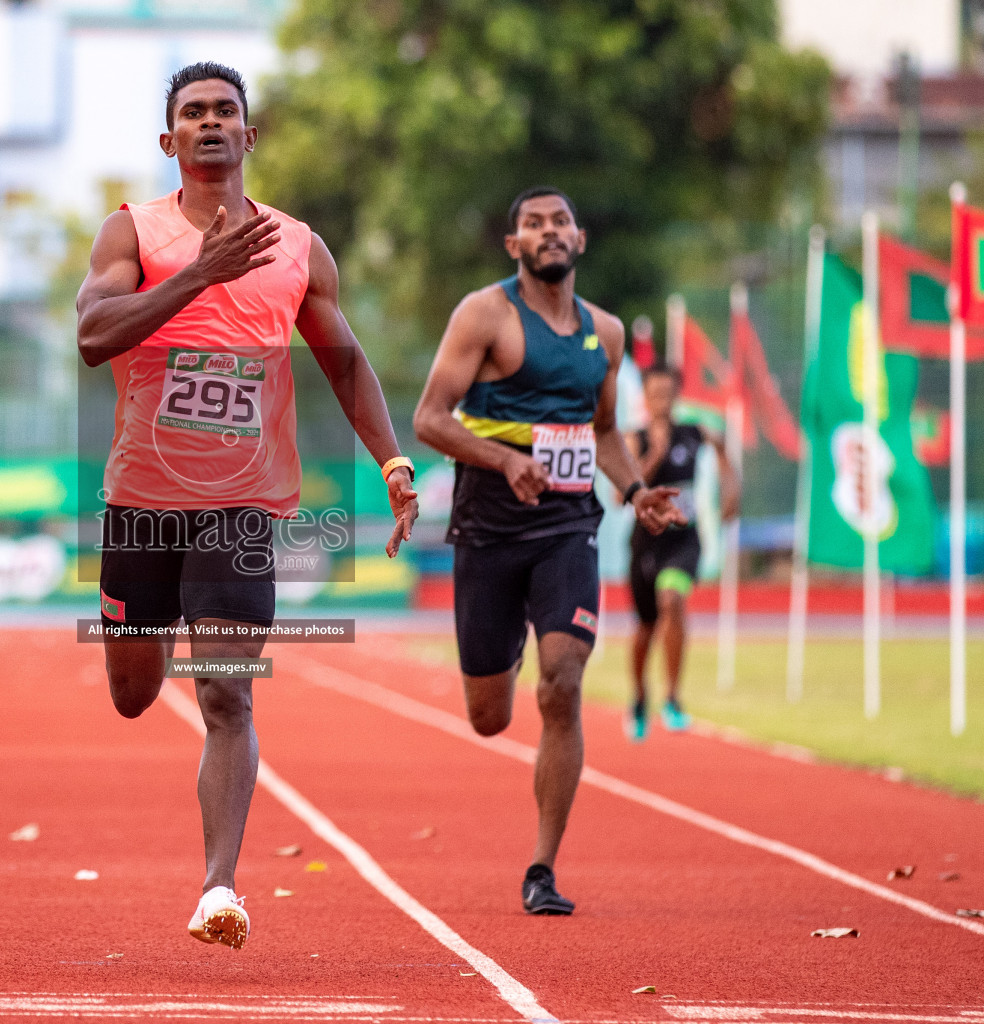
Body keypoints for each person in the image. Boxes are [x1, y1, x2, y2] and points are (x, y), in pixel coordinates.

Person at [75, 62, 419, 949]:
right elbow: (92, 337)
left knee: (227, 692)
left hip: (245, 503)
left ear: (248, 134)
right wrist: (196, 275)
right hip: (143, 500)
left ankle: (218, 889)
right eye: (194, 113)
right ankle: (137, 654)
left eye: (227, 110)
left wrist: (390, 461)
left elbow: (344, 363)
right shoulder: (132, 232)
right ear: (171, 141)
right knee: (132, 692)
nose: (212, 123)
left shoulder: (299, 247)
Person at [412, 187, 683, 916]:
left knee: (561, 683)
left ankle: (542, 869)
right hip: (490, 530)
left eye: (559, 222)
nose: (548, 232)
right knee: (490, 715)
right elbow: (430, 418)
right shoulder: (485, 315)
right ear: (515, 246)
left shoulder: (607, 333)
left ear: (580, 239)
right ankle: (507, 646)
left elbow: (601, 434)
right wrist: (503, 461)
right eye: (533, 224)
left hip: (568, 528)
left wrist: (633, 493)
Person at [624, 364, 739, 740]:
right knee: (646, 626)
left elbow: (723, 450)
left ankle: (672, 697)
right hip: (645, 543)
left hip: (683, 539)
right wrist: (655, 454)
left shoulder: (693, 433)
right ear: (645, 396)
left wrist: (731, 490)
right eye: (654, 393)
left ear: (676, 394)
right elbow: (618, 493)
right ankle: (640, 696)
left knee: (672, 601)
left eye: (668, 393)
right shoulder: (634, 438)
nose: (661, 400)